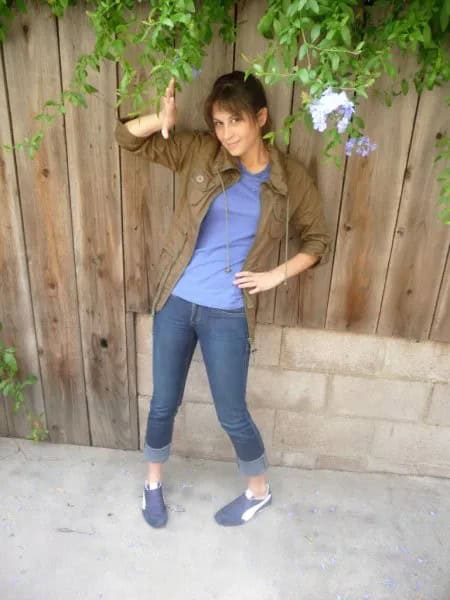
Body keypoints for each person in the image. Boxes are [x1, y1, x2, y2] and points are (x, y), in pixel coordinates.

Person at [115, 71, 330, 528]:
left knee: (232, 412)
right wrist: (160, 117)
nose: (227, 133)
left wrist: (275, 274)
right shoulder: (201, 151)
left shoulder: (289, 178)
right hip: (176, 300)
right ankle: (152, 485)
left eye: (236, 120)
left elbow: (317, 242)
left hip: (228, 312)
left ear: (261, 118)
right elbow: (126, 139)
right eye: (218, 122)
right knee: (162, 402)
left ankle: (258, 491)